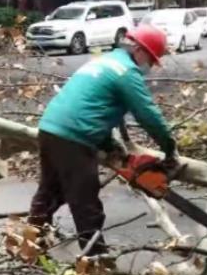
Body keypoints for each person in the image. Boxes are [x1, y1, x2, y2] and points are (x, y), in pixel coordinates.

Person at [30, 25, 177, 256]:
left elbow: (93, 105)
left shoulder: (105, 61)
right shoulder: (127, 72)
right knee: (86, 203)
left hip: (50, 127)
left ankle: (29, 245)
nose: (150, 64)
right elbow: (148, 114)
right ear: (138, 49)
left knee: (49, 191)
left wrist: (109, 145)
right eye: (150, 58)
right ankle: (96, 261)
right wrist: (170, 148)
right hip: (74, 136)